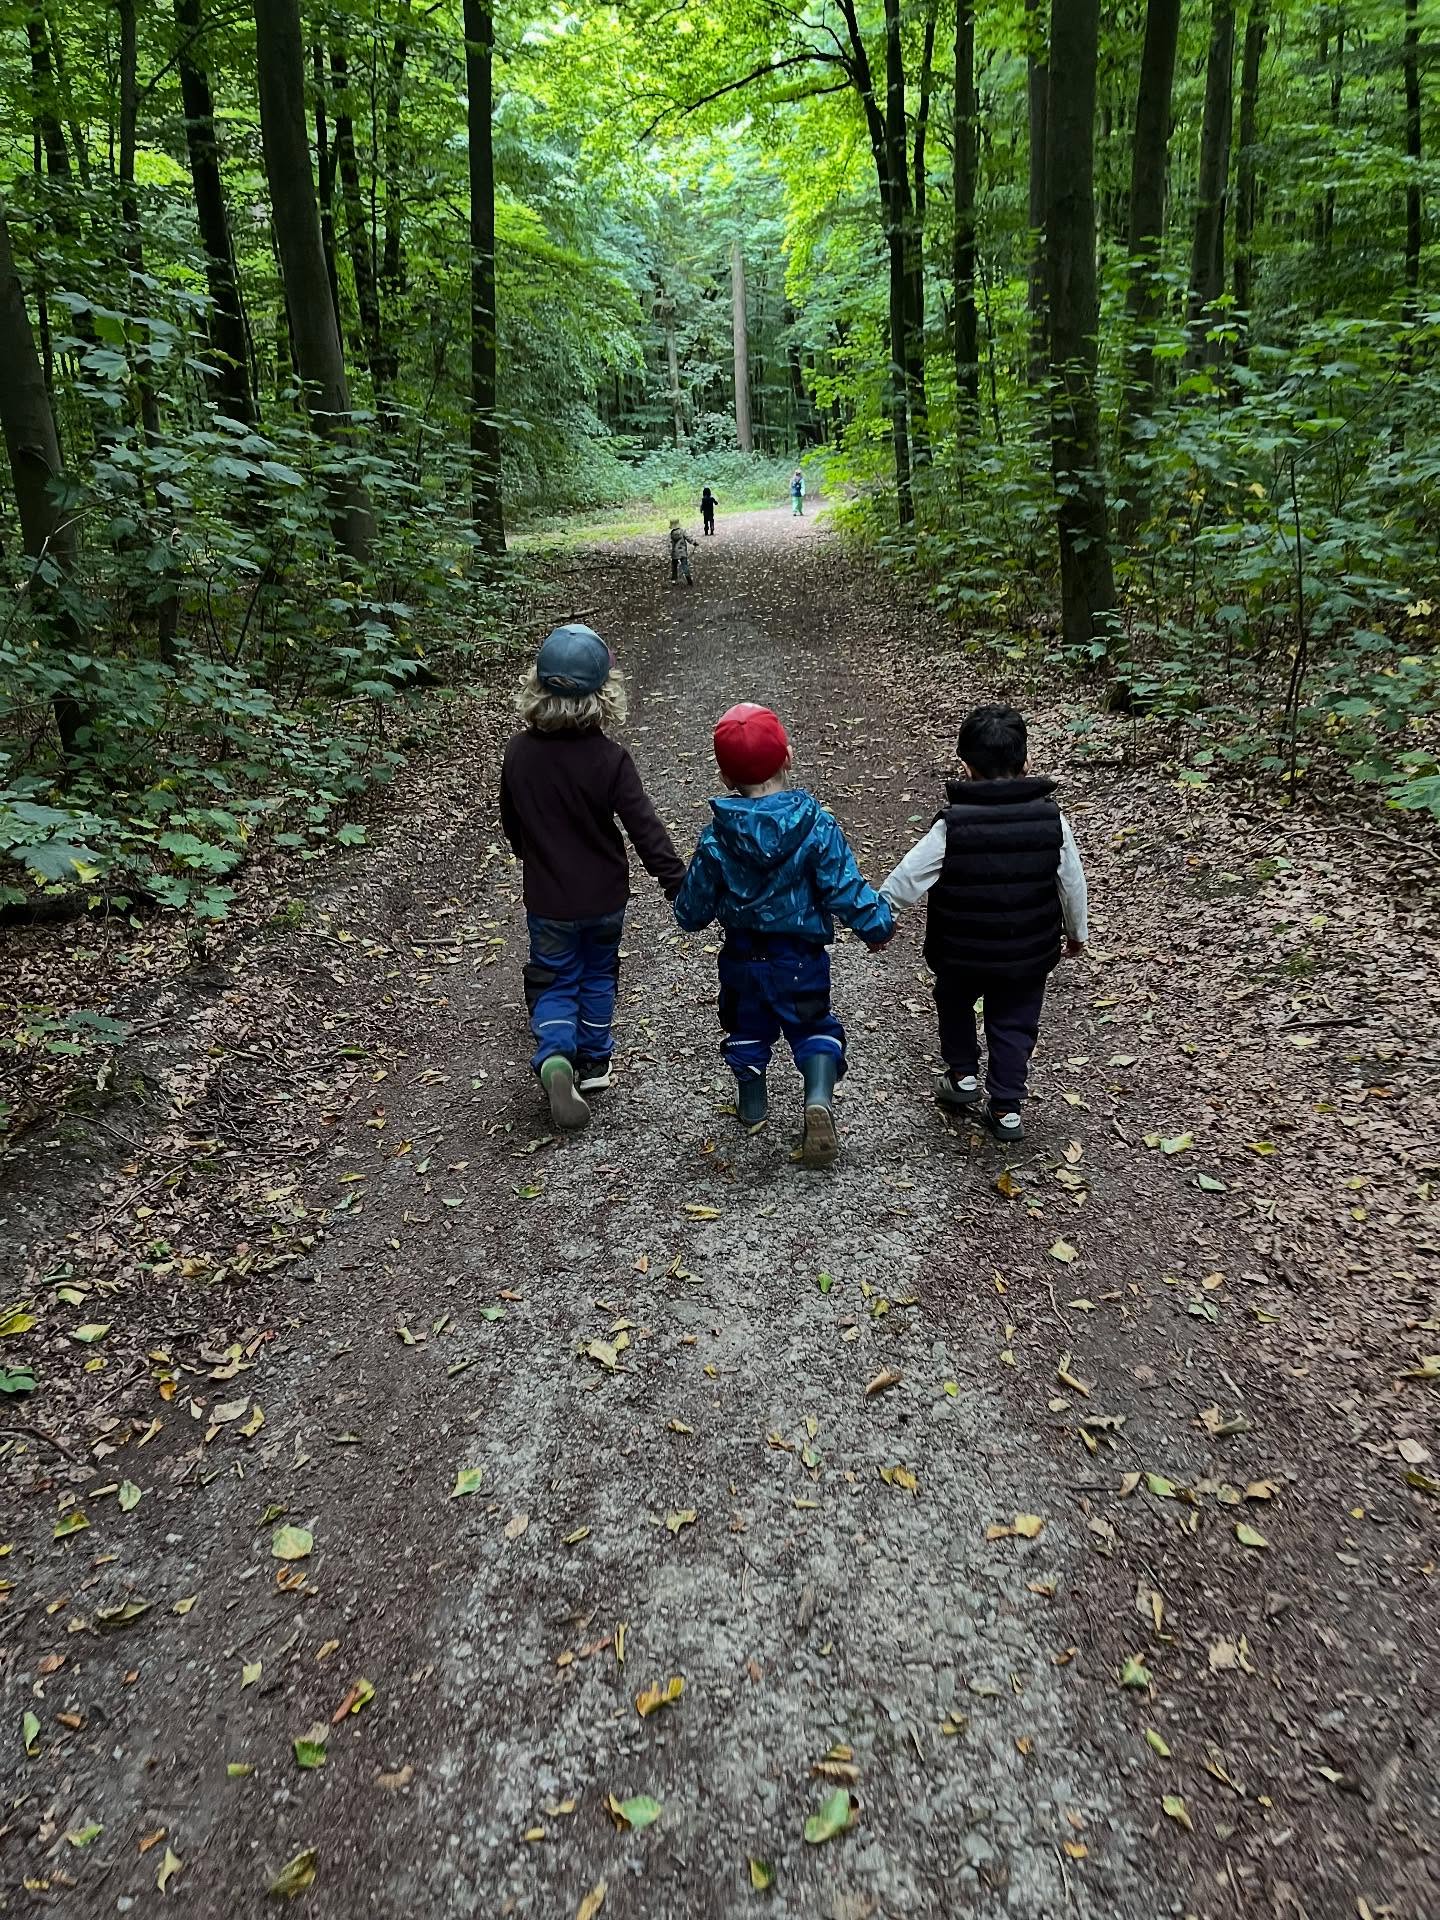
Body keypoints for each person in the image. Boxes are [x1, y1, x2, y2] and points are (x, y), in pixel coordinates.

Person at [673, 703, 893, 1168]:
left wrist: (692, 906)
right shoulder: (817, 826)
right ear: (788, 757)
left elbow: (691, 911)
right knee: (814, 1029)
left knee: (745, 1029)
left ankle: (753, 1103)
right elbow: (844, 887)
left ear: (725, 778)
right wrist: (876, 924)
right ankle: (817, 1099)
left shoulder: (716, 840)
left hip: (741, 960)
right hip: (800, 959)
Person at [499, 624, 686, 1131]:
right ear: (605, 695)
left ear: (535, 688)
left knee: (555, 978)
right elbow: (645, 828)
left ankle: (556, 1056)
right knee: (600, 974)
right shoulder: (610, 758)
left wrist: (528, 852)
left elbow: (511, 820)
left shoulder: (518, 754)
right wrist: (678, 885)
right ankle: (595, 1062)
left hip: (548, 899)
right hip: (604, 898)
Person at [880, 703, 1088, 1144]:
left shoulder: (952, 826)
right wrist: (1076, 931)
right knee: (1014, 1022)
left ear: (964, 766)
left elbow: (908, 877)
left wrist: (882, 916)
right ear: (1026, 762)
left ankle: (962, 1077)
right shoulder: (1053, 820)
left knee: (953, 1004)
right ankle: (1007, 1108)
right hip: (1026, 956)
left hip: (960, 953)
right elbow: (1071, 881)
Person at [669, 519, 695, 586]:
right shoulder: (682, 531)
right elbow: (688, 538)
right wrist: (694, 543)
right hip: (683, 552)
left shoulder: (672, 534)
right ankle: (688, 578)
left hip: (675, 553)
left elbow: (670, 543)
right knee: (684, 565)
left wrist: (670, 551)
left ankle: (674, 580)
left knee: (674, 566)